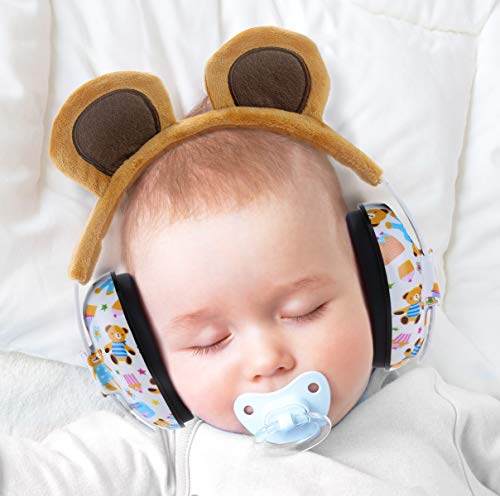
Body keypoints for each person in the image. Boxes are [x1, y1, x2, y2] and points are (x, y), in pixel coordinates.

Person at [1, 96, 499, 496]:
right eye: (210, 341)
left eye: (305, 311)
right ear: (147, 365)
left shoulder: (435, 409)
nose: (267, 360)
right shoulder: (167, 450)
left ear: (378, 287)